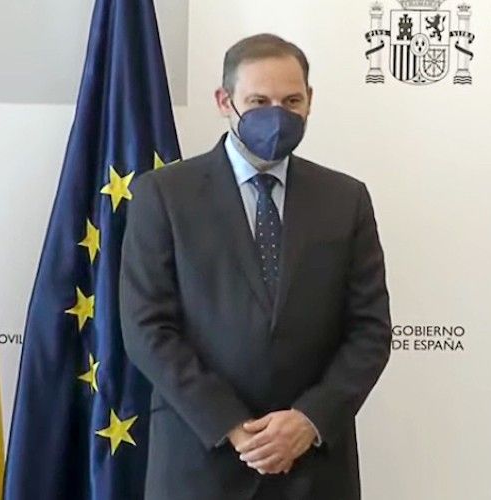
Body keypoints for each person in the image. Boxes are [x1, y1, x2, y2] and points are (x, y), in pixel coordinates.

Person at [119, 33, 391, 500]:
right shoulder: (163, 195)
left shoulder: (345, 199)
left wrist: (309, 420)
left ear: (310, 101)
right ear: (224, 101)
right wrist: (233, 426)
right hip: (199, 462)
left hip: (314, 468)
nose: (277, 115)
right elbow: (147, 328)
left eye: (291, 101)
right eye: (259, 102)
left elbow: (370, 330)